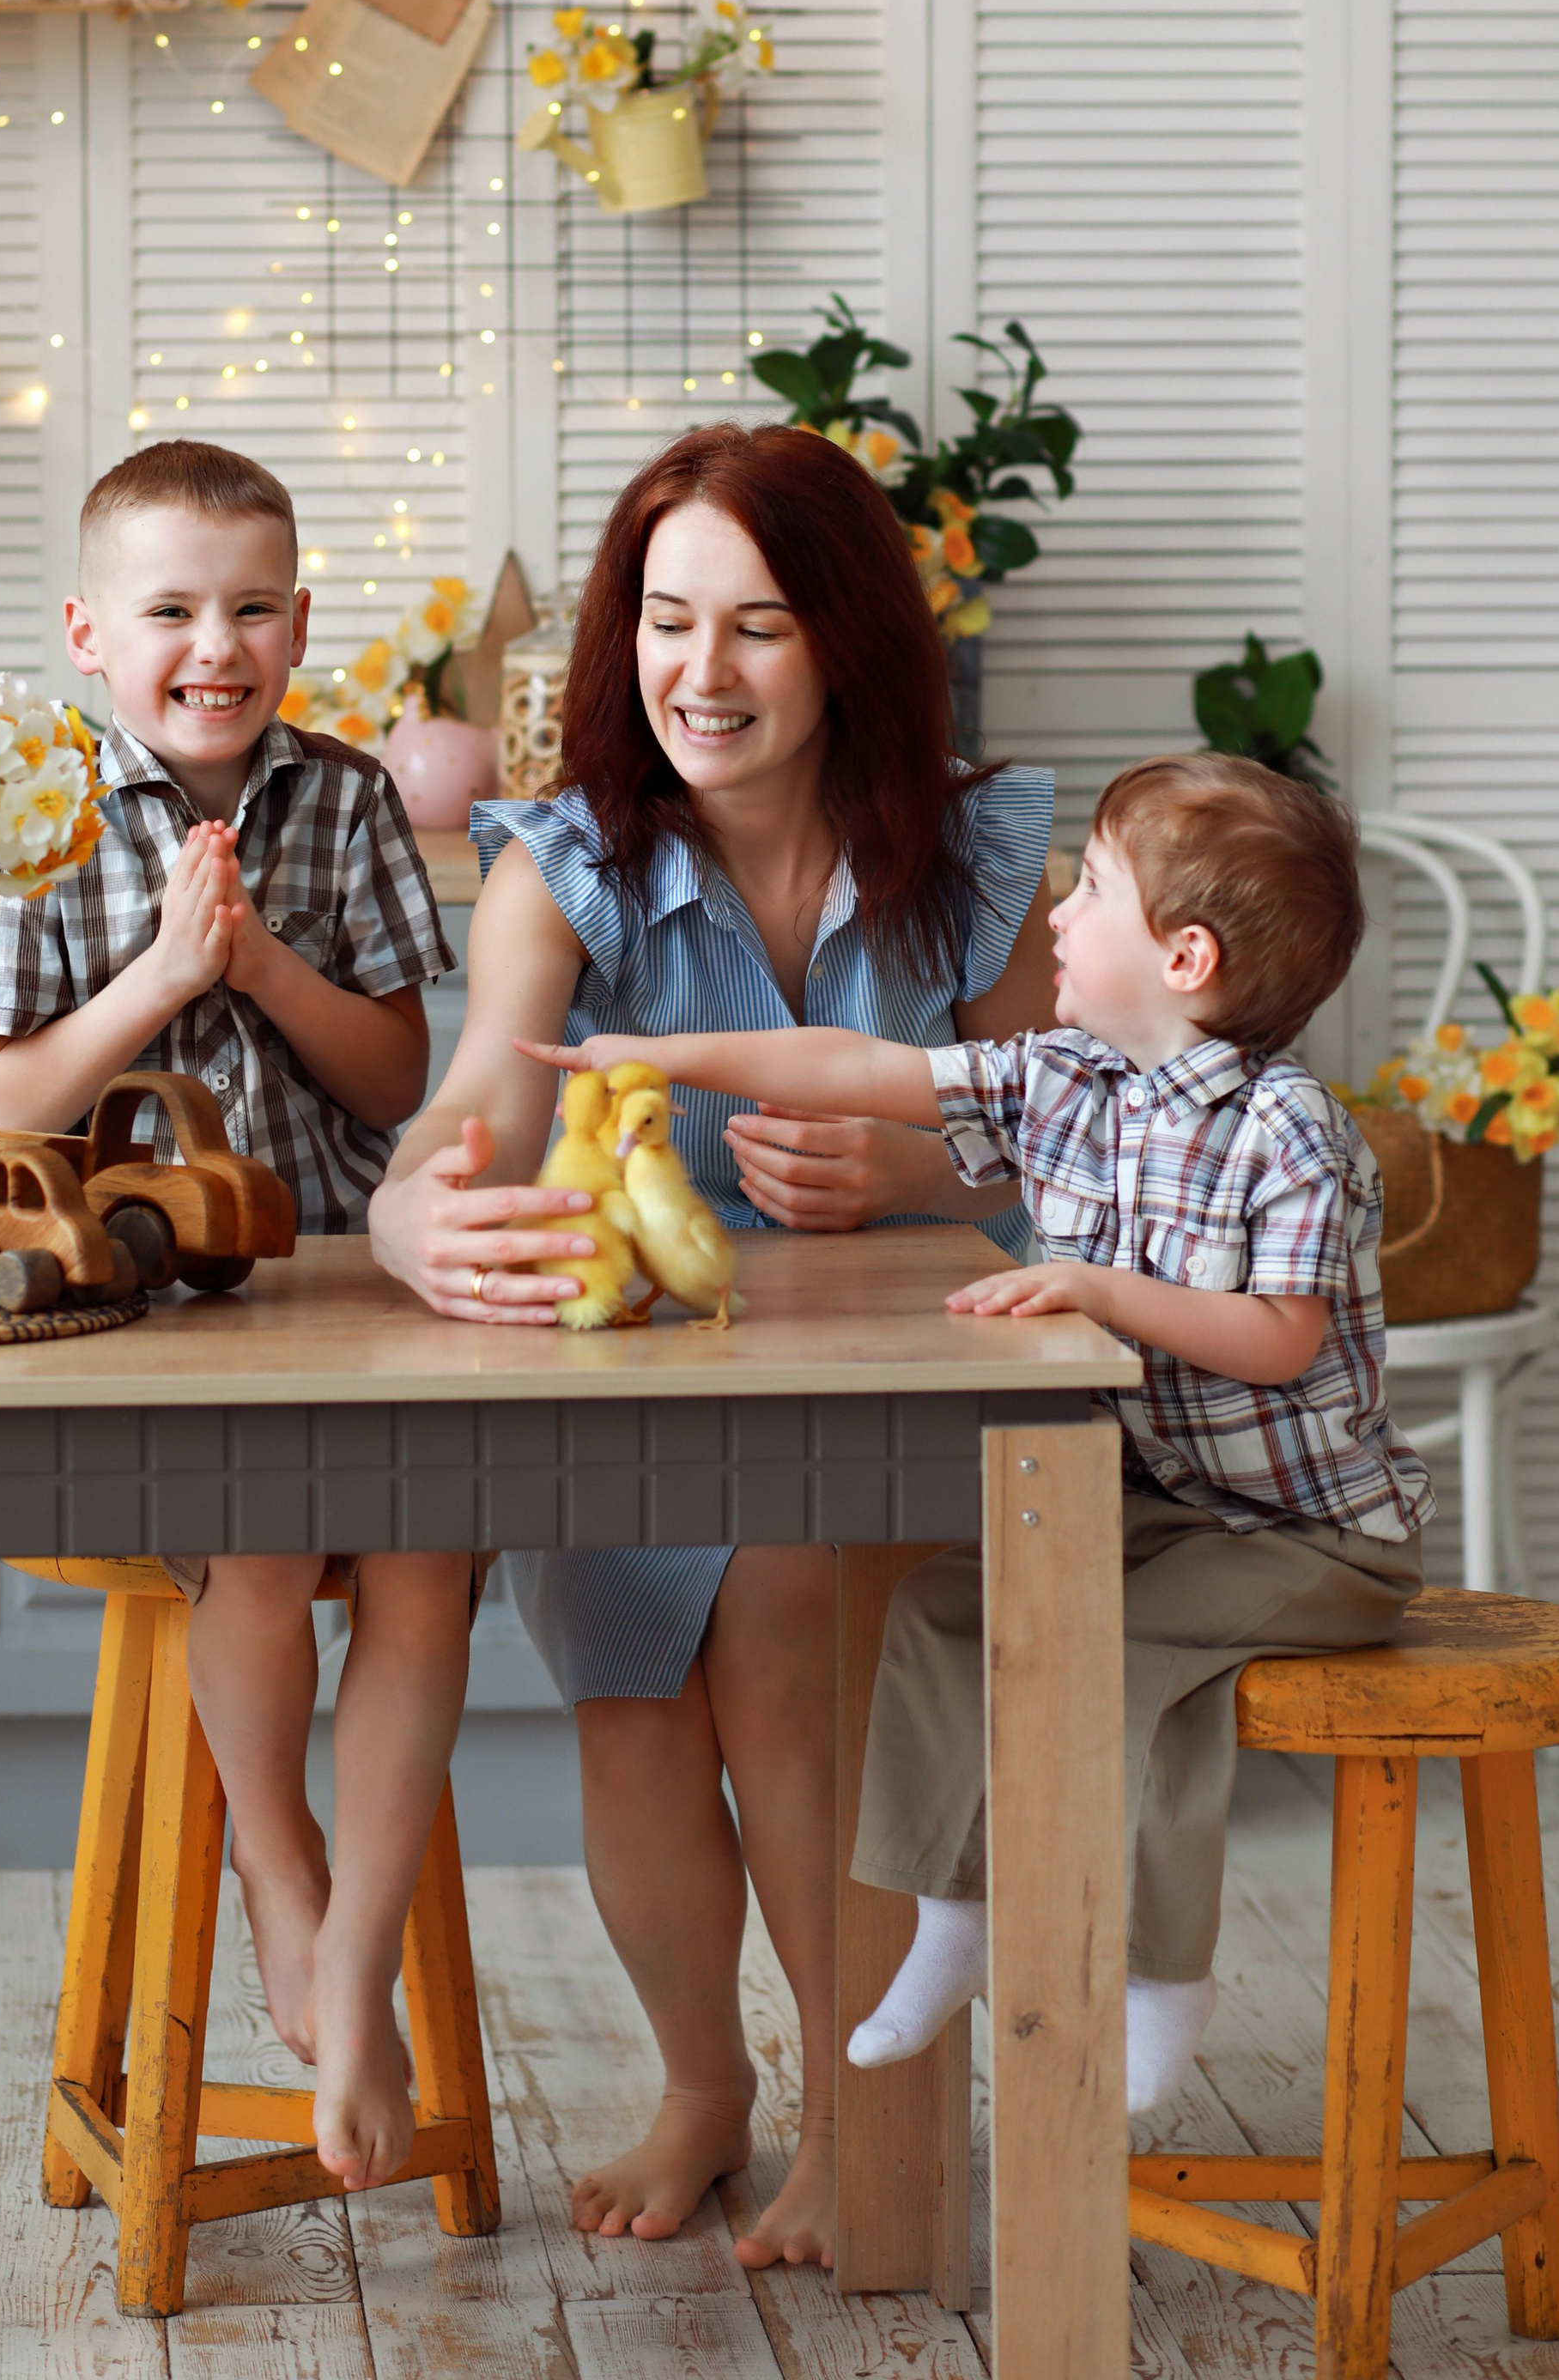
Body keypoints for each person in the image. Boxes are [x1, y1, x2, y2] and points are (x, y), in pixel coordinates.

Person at [365, 421, 1057, 2268]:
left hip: (893, 1384)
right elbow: (467, 1126)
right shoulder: (562, 864)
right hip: (636, 1374)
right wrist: (406, 1214)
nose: (702, 671)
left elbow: (1063, 1132)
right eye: (667, 620)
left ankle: (859, 2115)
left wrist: (902, 1162)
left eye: (756, 626)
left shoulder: (982, 851)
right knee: (632, 1724)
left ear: (843, 642)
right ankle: (705, 2085)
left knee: (775, 1633)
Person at [521, 750, 1432, 2116]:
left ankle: (1160, 1974)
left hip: (1314, 1536)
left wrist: (1097, 1290)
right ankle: (948, 1915)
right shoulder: (1064, 1078)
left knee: (1108, 1654)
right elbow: (852, 1064)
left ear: (1183, 957)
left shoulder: (1289, 1130)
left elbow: (1281, 1339)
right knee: (945, 1608)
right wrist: (654, 1053)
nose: (1054, 909)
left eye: (1094, 892)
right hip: (1171, 1501)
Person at [0, 438, 471, 2193]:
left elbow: (399, 1071)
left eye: (252, 607)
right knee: (260, 1548)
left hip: (337, 1281)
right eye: (172, 608)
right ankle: (281, 1870)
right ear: (90, 633)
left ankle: (356, 1946)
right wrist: (167, 976)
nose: (215, 644)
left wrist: (260, 968)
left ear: (301, 622)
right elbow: (1, 1107)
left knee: (423, 1557)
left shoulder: (339, 800)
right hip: (144, 1308)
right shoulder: (33, 814)